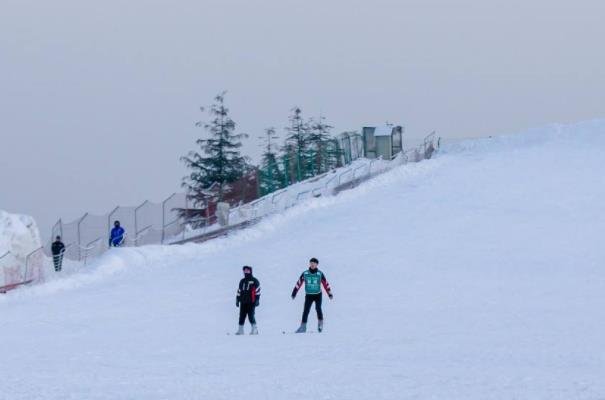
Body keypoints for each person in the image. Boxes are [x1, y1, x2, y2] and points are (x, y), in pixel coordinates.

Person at [291, 257, 333, 333]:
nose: (312, 265)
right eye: (311, 263)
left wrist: (329, 293)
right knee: (306, 310)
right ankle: (303, 327)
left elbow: (325, 284)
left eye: (314, 263)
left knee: (318, 308)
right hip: (309, 295)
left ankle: (320, 323)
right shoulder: (305, 273)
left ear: (317, 265)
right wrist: (294, 292)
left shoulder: (320, 274)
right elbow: (299, 283)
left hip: (318, 295)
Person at [235, 265, 260, 335]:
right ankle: (240, 330)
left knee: (251, 315)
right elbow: (239, 291)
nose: (246, 271)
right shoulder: (242, 281)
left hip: (251, 301)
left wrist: (257, 299)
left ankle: (254, 329)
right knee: (241, 315)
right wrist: (237, 299)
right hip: (243, 301)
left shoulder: (254, 280)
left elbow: (258, 291)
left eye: (247, 270)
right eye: (244, 270)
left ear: (250, 271)